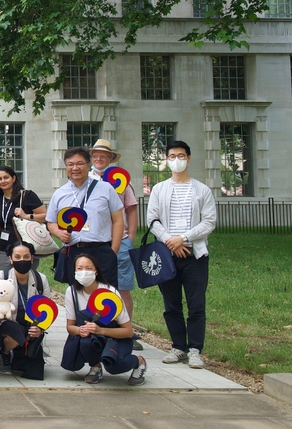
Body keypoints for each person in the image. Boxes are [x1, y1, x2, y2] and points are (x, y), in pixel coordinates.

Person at [146, 140, 216, 370]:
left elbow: (209, 222)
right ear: (166, 160)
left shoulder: (202, 190)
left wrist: (183, 239)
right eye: (172, 156)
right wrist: (170, 240)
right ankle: (178, 346)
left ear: (189, 158)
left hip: (194, 255)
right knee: (171, 304)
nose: (177, 159)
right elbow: (152, 220)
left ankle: (195, 349)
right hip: (167, 255)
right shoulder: (159, 189)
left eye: (181, 155)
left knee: (196, 304)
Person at [61, 254, 147, 385]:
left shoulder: (110, 292)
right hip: (92, 337)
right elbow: (70, 327)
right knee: (85, 343)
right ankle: (95, 366)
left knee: (114, 366)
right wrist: (79, 330)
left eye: (88, 268)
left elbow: (128, 331)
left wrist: (100, 330)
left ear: (96, 271)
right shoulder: (71, 292)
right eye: (80, 268)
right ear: (74, 271)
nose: (84, 272)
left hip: (116, 337)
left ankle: (139, 361)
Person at [46, 147, 124, 286]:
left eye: (80, 163)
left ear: (88, 165)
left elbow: (118, 220)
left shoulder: (106, 189)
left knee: (107, 294)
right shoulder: (59, 194)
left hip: (102, 250)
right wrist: (59, 233)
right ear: (66, 167)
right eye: (70, 164)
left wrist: (114, 250)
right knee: (78, 295)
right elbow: (51, 222)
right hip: (74, 251)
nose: (75, 168)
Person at [88, 139, 140, 336]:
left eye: (103, 156)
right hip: (96, 240)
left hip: (121, 241)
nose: (99, 159)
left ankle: (126, 330)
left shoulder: (123, 182)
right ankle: (96, 326)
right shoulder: (86, 180)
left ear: (110, 159)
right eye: (95, 156)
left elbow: (131, 209)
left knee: (123, 287)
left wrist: (131, 237)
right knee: (94, 286)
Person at [0, 242, 50, 376]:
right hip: (7, 325)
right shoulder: (1, 277)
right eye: (17, 256)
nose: (22, 260)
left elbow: (47, 310)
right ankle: (5, 353)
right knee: (16, 331)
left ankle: (20, 352)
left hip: (31, 326)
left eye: (26, 256)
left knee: (36, 373)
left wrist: (40, 328)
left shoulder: (41, 279)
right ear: (10, 258)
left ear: (32, 258)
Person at [0, 165, 46, 271]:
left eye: (6, 177)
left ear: (14, 178)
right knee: (8, 282)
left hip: (25, 250)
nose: (3, 181)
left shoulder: (27, 196)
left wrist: (26, 216)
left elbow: (46, 216)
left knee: (26, 281)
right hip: (4, 250)